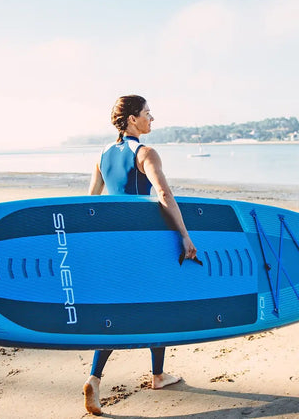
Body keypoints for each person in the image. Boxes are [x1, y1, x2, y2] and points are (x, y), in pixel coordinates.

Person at [84, 95, 197, 415]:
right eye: (148, 114)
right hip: (146, 243)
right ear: (133, 119)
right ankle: (159, 375)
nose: (152, 119)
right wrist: (185, 235)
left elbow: (89, 203)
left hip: (113, 245)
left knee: (117, 309)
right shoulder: (145, 152)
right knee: (158, 304)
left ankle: (95, 377)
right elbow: (164, 195)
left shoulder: (103, 154)